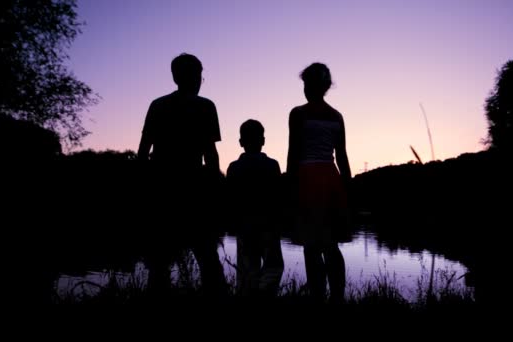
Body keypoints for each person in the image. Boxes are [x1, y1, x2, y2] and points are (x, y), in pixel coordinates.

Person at [138, 53, 226, 298]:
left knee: (160, 259)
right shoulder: (206, 107)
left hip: (162, 187)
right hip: (193, 188)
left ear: (175, 77)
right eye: (198, 75)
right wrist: (215, 188)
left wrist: (142, 185)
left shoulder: (158, 105)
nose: (199, 80)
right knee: (206, 254)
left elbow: (143, 151)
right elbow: (211, 154)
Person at [286, 62, 352, 303]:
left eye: (305, 83)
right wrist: (348, 186)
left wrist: (289, 185)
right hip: (332, 179)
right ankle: (337, 297)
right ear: (326, 87)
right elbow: (342, 156)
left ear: (309, 85)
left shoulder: (298, 113)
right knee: (331, 244)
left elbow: (293, 152)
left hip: (307, 178)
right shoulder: (337, 116)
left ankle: (318, 297)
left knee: (311, 245)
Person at [227, 119, 284, 298]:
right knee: (272, 266)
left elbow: (230, 199)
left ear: (241, 142)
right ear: (263, 141)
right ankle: (265, 295)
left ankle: (249, 296)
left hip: (244, 226)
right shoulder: (272, 165)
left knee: (247, 269)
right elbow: (278, 196)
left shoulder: (234, 168)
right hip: (269, 225)